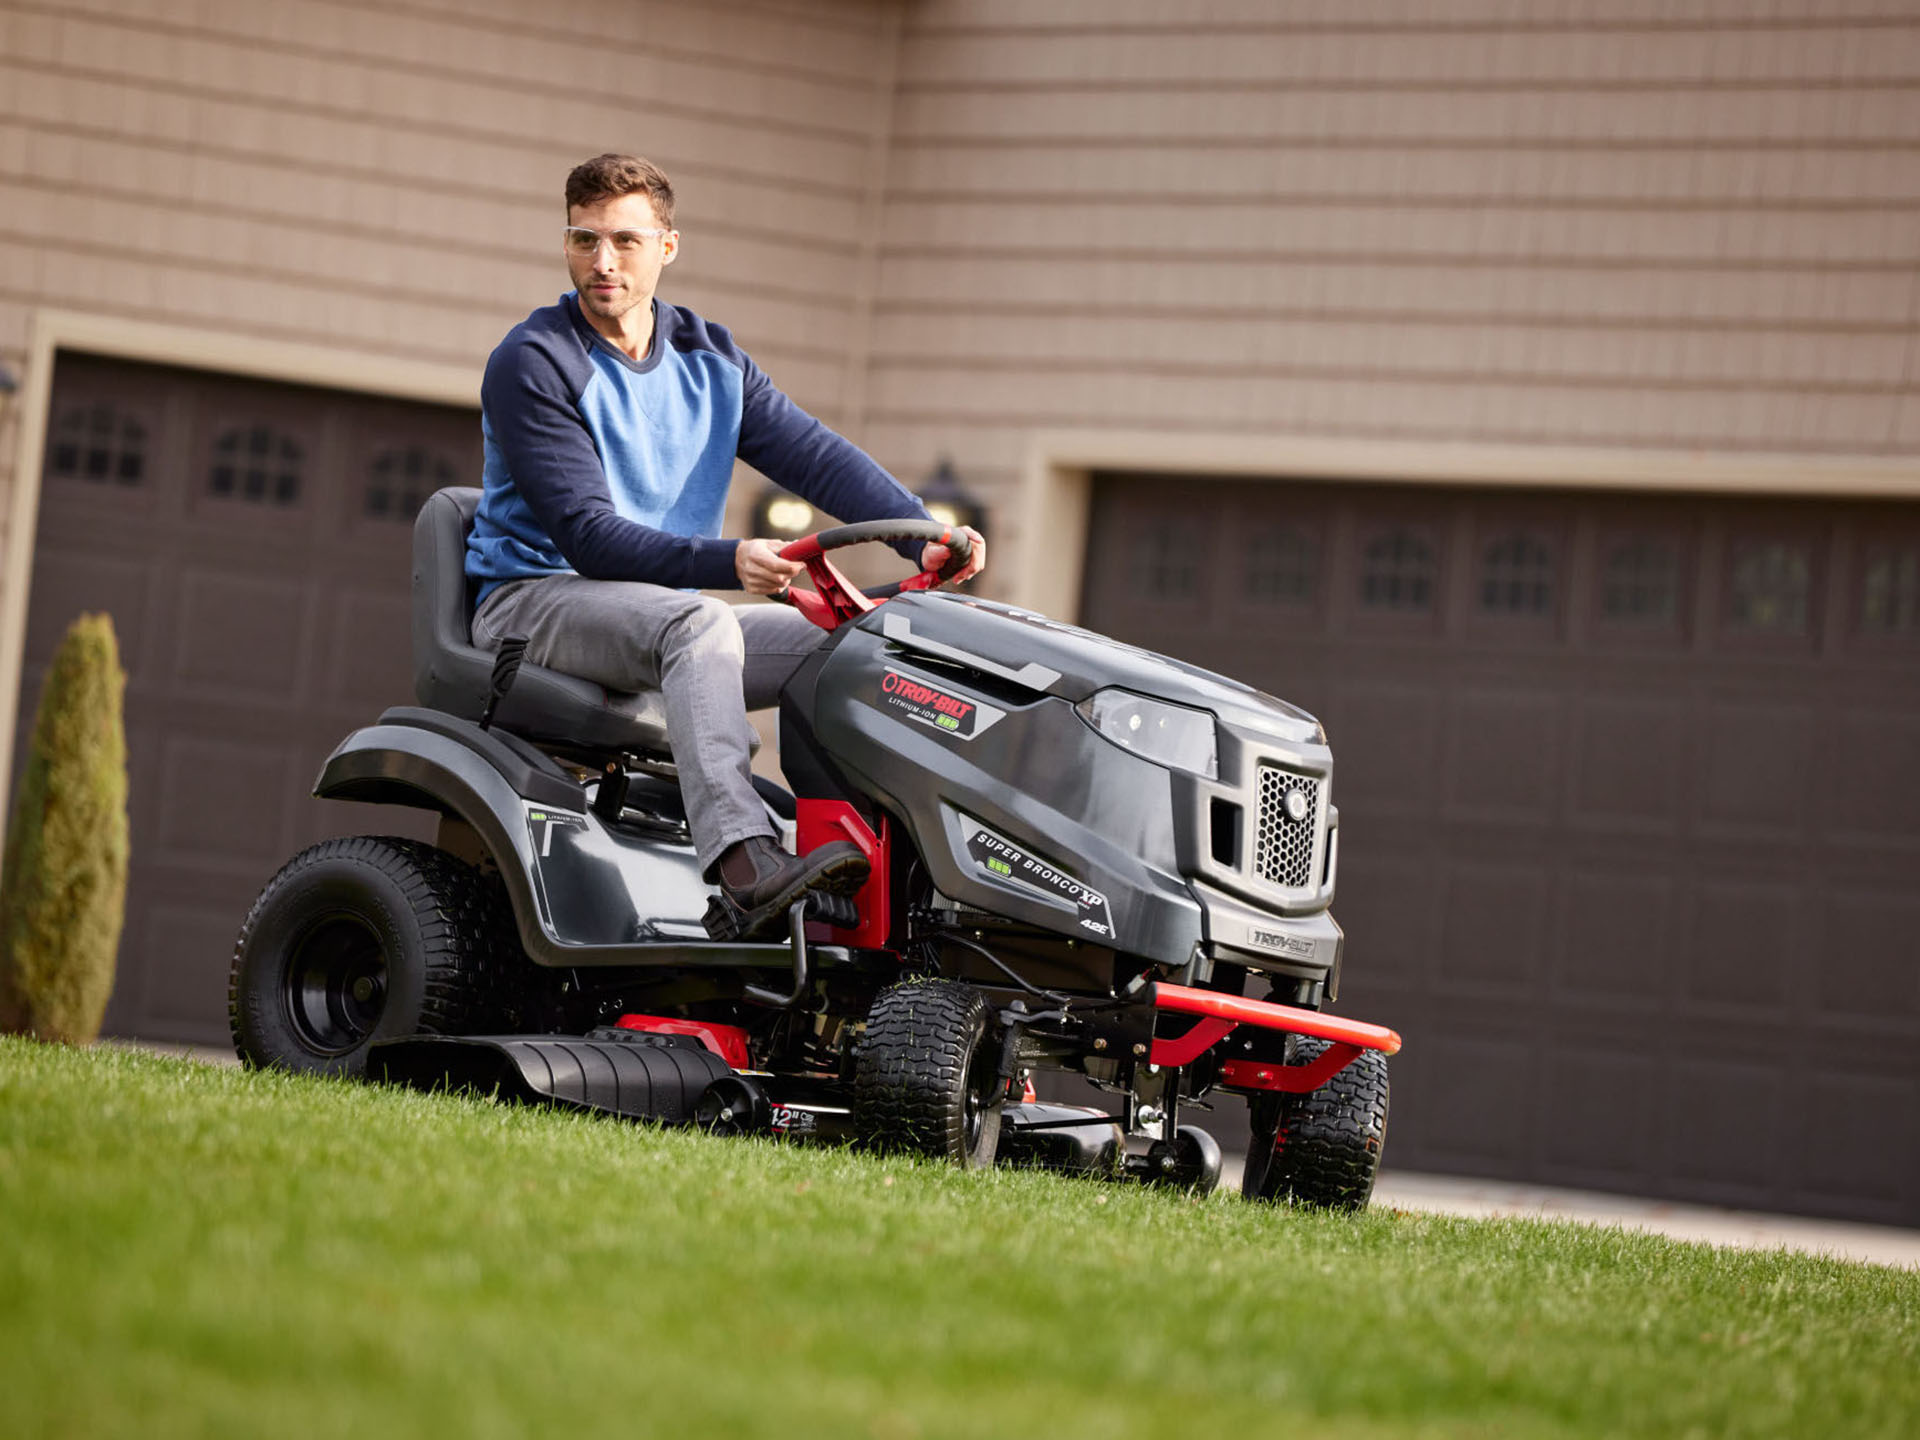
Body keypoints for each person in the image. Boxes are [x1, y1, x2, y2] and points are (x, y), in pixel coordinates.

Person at [466, 153, 984, 937]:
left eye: (625, 242)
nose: (602, 263)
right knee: (700, 624)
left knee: (857, 641)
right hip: (532, 602)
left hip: (651, 611)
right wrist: (726, 562)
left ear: (668, 247)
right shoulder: (534, 361)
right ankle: (744, 865)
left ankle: (876, 860)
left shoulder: (710, 358)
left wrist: (923, 539)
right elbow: (588, 536)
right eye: (583, 240)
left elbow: (815, 456)